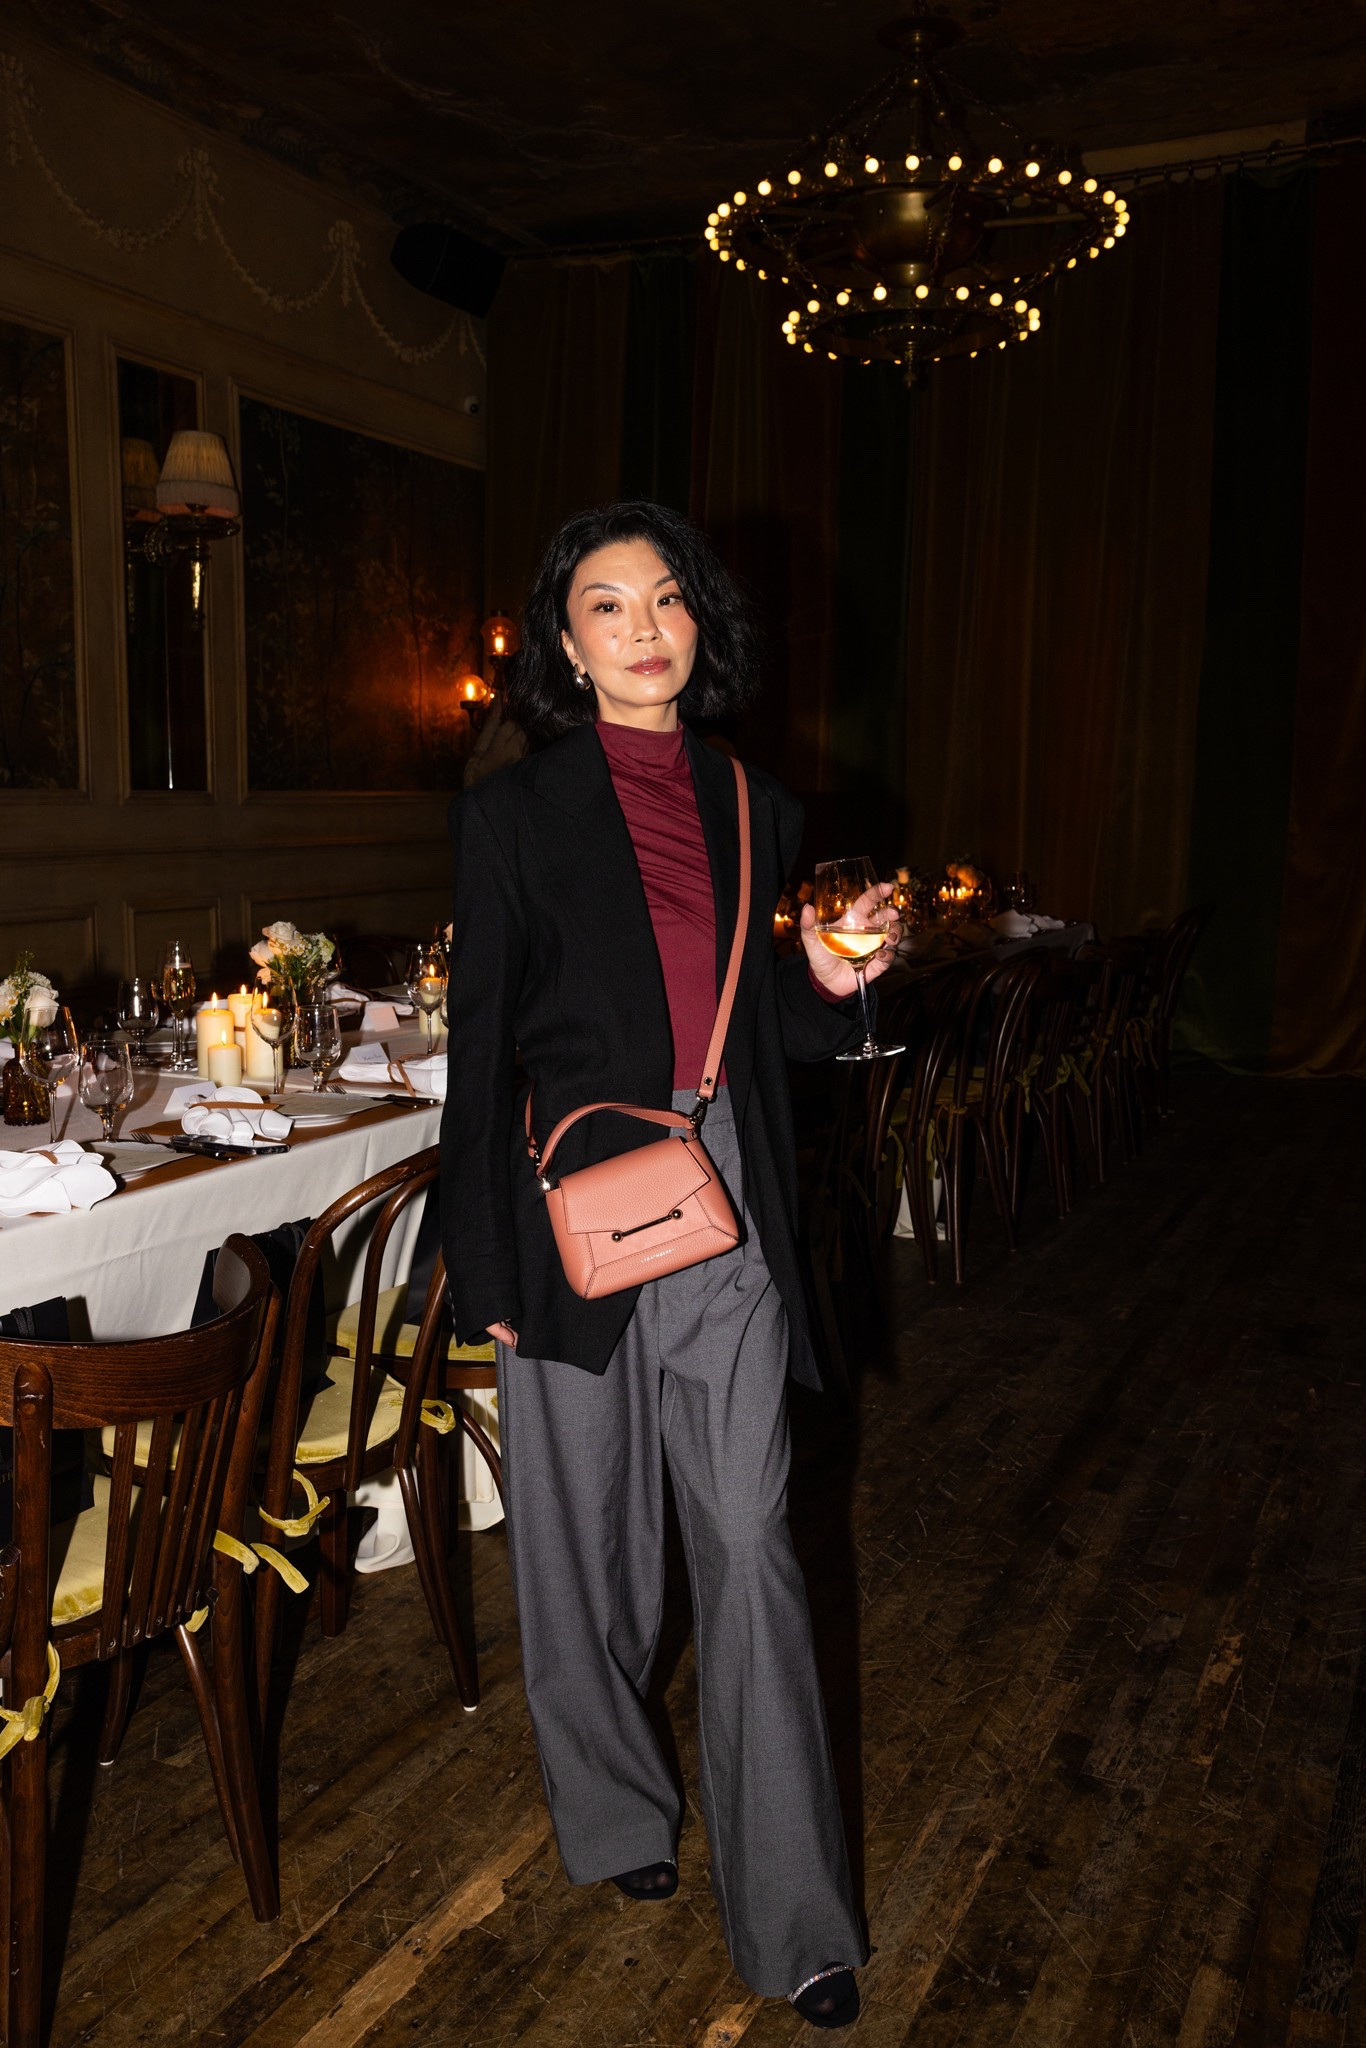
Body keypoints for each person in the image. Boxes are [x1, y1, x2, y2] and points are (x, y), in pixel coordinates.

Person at [441, 501, 899, 2029]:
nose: (642, 627)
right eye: (605, 605)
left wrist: (824, 981)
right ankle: (617, 1813)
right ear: (565, 649)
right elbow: (480, 1054)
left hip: (726, 1212)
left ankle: (797, 1922)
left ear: (700, 623)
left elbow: (764, 1033)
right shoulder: (513, 814)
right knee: (585, 1549)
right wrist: (485, 1267)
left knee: (752, 1541)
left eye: (665, 599)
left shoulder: (757, 803)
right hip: (567, 1218)